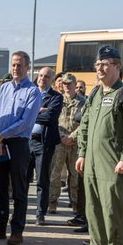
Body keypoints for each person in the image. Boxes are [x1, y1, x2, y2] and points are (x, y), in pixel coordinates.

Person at [75, 46, 123, 245]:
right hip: (91, 161)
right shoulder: (95, 94)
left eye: (105, 64)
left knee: (113, 209)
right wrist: (82, 152)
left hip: (112, 162)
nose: (100, 69)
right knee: (92, 206)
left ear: (117, 67)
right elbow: (84, 125)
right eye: (97, 65)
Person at [0, 52, 41, 245]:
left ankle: (17, 230)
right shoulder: (5, 88)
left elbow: (26, 122)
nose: (16, 68)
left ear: (27, 67)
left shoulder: (33, 92)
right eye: (13, 65)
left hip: (17, 145)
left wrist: (2, 135)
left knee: (18, 190)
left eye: (20, 65)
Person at [29, 66, 63, 226]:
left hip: (44, 143)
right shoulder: (29, 92)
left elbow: (50, 117)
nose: (43, 78)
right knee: (22, 178)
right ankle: (19, 213)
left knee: (42, 180)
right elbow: (20, 113)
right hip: (26, 141)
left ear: (52, 80)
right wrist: (39, 111)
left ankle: (40, 214)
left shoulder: (56, 97)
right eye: (41, 75)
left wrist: (31, 114)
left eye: (47, 77)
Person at [50, 73, 81, 222]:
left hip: (75, 143)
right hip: (59, 141)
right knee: (55, 173)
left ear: (75, 84)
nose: (67, 86)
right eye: (64, 84)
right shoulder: (57, 100)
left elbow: (85, 123)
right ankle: (52, 202)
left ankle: (75, 203)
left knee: (74, 174)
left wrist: (72, 137)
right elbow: (53, 121)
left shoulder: (83, 102)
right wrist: (62, 136)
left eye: (70, 83)